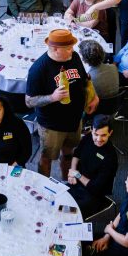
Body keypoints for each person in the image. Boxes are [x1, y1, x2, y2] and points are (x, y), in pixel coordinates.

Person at [25, 28, 98, 179]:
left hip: (74, 120)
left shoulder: (74, 57)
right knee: (47, 158)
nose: (72, 50)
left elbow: (85, 80)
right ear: (55, 49)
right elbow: (29, 101)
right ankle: (44, 185)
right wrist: (52, 97)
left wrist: (94, 96)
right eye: (68, 48)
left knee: (68, 153)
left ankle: (66, 181)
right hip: (52, 126)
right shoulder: (39, 69)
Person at [67, 115, 119, 218]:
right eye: (96, 134)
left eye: (103, 135)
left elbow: (94, 188)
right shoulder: (87, 138)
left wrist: (77, 174)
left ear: (110, 133)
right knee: (56, 201)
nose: (98, 139)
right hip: (77, 183)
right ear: (92, 130)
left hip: (94, 194)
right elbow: (76, 154)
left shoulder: (110, 158)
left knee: (69, 213)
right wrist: (73, 170)